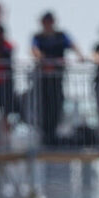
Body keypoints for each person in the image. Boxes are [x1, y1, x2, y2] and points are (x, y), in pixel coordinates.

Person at [30, 13, 76, 147]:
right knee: (44, 106)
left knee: (57, 104)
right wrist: (43, 59)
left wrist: (79, 56)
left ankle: (54, 133)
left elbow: (72, 45)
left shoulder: (61, 35)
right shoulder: (37, 37)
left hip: (57, 77)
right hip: (43, 78)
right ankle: (45, 135)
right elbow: (34, 49)